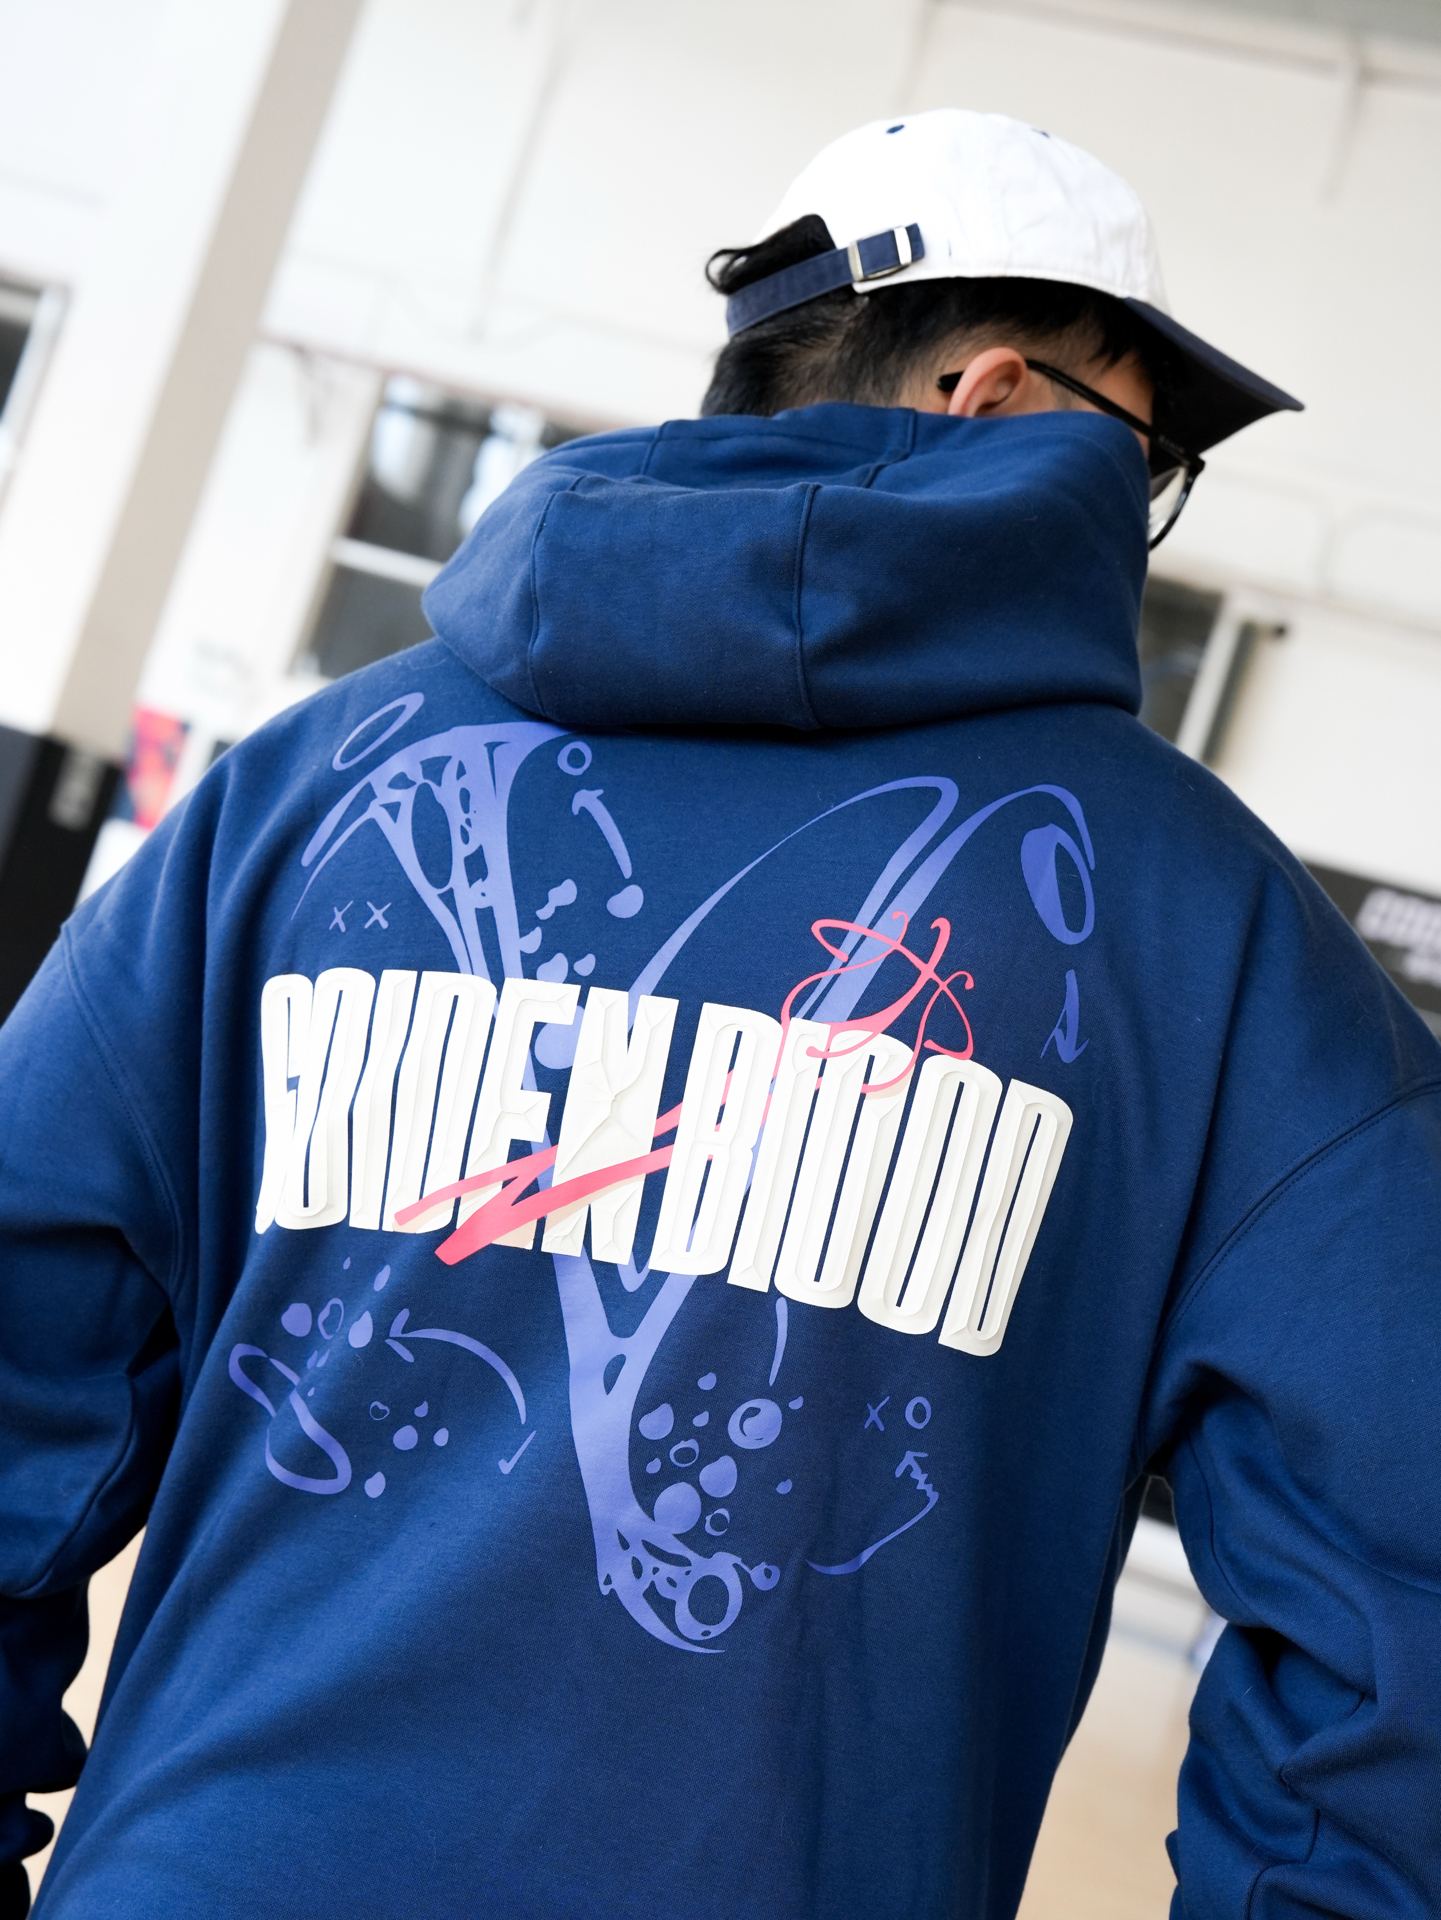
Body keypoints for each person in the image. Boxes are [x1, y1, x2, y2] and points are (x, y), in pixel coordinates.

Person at [2, 108, 1436, 1920]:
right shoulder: (1206, 925)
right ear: (991, 396)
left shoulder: (300, 797)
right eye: (1138, 454)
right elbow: (1402, 1589)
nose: (1136, 523)